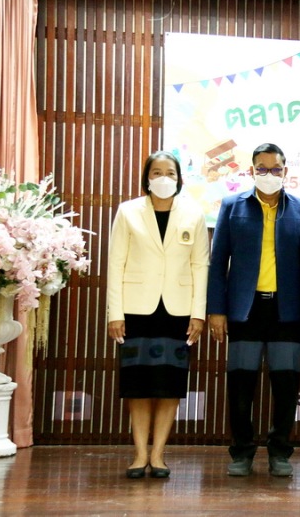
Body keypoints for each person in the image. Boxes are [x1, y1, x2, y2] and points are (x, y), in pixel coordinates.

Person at [207, 143, 300, 477]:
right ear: (251, 171)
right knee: (241, 385)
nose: (269, 174)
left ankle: (280, 451)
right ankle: (242, 452)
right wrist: (216, 310)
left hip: (287, 312)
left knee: (286, 386)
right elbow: (217, 261)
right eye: (262, 168)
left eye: (275, 168)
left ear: (286, 171)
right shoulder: (232, 206)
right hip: (245, 309)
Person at [107, 150, 209, 479]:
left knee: (170, 385)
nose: (164, 178)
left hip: (178, 313)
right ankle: (139, 455)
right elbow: (115, 263)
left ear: (179, 178)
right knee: (137, 385)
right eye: (157, 172)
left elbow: (200, 266)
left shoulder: (193, 213)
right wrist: (114, 313)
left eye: (170, 173)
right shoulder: (128, 211)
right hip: (135, 310)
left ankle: (159, 454)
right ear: (147, 177)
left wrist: (198, 314)